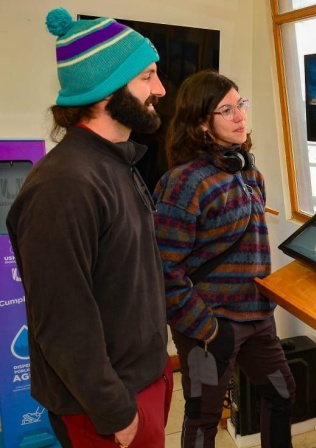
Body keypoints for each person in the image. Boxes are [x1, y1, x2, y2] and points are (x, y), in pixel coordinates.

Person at [6, 8, 172, 448]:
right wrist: (112, 409)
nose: (160, 89)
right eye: (148, 77)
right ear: (106, 91)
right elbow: (62, 319)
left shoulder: (117, 162)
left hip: (142, 381)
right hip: (103, 407)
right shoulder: (64, 185)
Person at [153, 70, 295, 448]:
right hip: (208, 328)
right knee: (203, 419)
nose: (240, 116)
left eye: (240, 105)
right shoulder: (184, 183)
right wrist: (209, 328)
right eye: (226, 110)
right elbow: (164, 270)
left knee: (282, 394)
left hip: (258, 319)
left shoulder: (251, 174)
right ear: (201, 123)